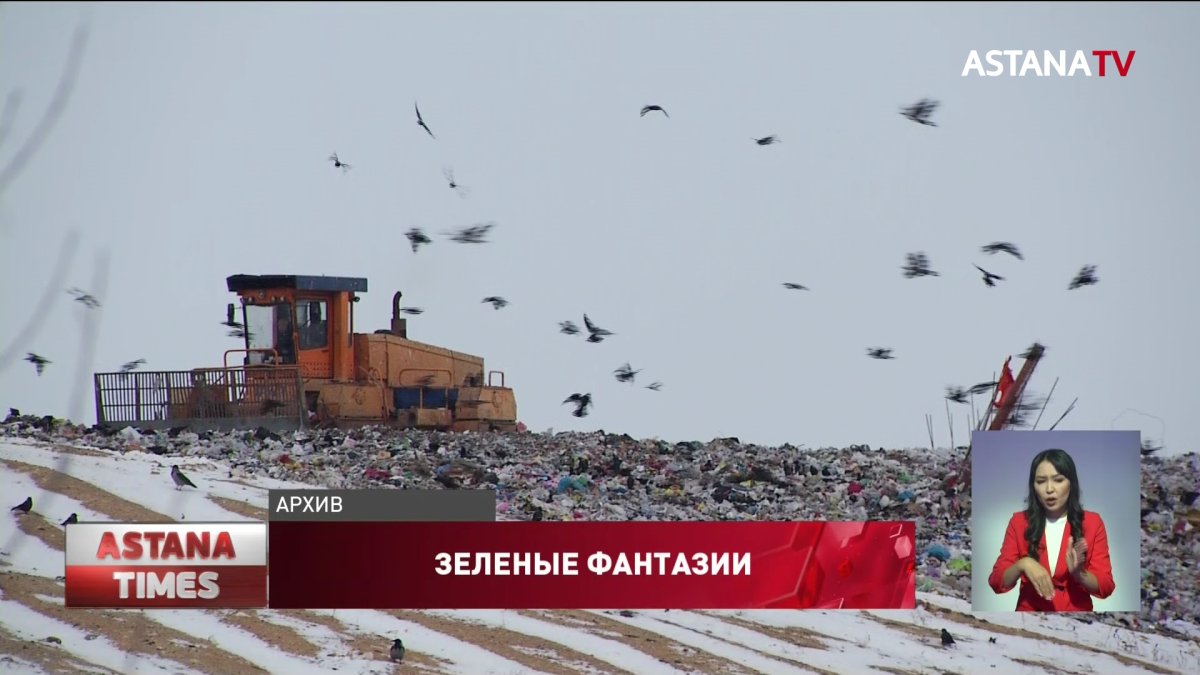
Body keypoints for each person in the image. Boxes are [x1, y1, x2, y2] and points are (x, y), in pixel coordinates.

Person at [987, 448, 1116, 611]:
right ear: (1033, 486)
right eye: (1041, 481)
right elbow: (997, 581)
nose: (1049, 489)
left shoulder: (1092, 522)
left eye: (1058, 480)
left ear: (1071, 483)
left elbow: (1106, 586)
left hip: (1075, 616)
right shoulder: (1019, 522)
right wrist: (1024, 564)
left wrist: (1079, 574)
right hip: (1030, 614)